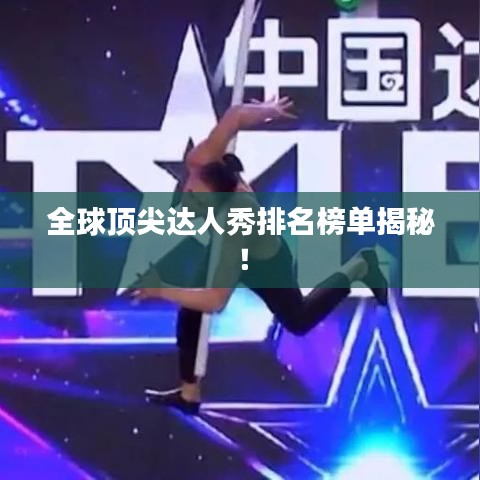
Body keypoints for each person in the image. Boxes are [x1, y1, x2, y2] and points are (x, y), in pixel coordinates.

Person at [133, 97, 388, 415]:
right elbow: (234, 116)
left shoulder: (235, 223)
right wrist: (266, 112)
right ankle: (189, 393)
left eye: (197, 201)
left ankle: (361, 265)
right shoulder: (201, 158)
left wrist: (161, 290)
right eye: (190, 192)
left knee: (297, 320)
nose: (187, 201)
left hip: (263, 263)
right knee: (190, 309)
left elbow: (216, 300)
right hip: (225, 248)